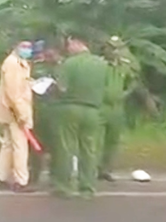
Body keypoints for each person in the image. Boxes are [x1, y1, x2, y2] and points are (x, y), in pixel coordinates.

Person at [50, 36, 108, 199]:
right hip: (93, 110)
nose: (68, 48)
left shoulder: (69, 63)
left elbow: (62, 88)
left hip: (69, 108)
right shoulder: (102, 64)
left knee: (66, 147)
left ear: (77, 43)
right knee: (89, 150)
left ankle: (64, 187)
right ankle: (88, 188)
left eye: (69, 44)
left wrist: (51, 88)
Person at [0, 40, 34, 193]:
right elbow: (13, 92)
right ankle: (21, 181)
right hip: (15, 110)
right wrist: (21, 113)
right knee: (20, 145)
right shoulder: (13, 64)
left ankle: (1, 176)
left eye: (29, 47)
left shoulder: (19, 62)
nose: (27, 49)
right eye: (24, 46)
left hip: (10, 110)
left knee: (8, 144)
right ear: (15, 47)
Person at [98, 36, 133, 182]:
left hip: (117, 108)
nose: (115, 51)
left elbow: (133, 81)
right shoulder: (98, 64)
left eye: (117, 48)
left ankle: (106, 170)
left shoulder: (124, 65)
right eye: (111, 48)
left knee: (113, 140)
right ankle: (94, 168)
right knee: (96, 139)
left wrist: (126, 93)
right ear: (105, 48)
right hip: (101, 106)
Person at [28, 42, 62, 186]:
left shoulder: (62, 68)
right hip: (40, 111)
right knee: (37, 146)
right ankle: (35, 176)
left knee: (55, 146)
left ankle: (53, 177)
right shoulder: (36, 68)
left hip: (54, 112)